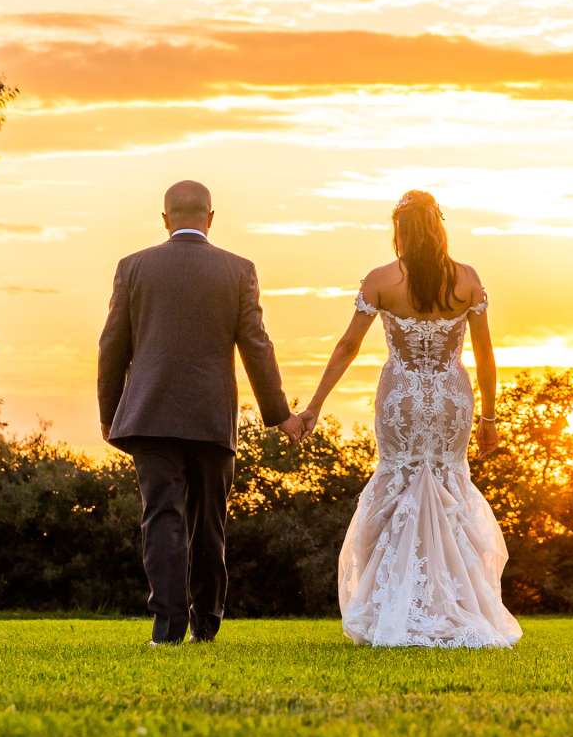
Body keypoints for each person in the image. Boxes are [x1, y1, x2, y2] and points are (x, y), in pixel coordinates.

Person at [285, 188, 521, 649]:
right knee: (448, 484)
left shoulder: (380, 281)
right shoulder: (468, 280)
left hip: (401, 400)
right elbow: (485, 354)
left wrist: (314, 405)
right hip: (451, 398)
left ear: (400, 231)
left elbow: (347, 347)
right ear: (439, 227)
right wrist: (490, 418)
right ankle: (453, 603)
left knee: (398, 484)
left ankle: (393, 601)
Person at [96, 179, 292, 645]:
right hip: (210, 418)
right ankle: (206, 625)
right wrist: (279, 414)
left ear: (165, 219)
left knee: (162, 517)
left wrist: (110, 414)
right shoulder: (238, 270)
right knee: (209, 524)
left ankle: (167, 629)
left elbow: (111, 346)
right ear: (210, 216)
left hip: (149, 414)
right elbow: (257, 346)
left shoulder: (133, 267)